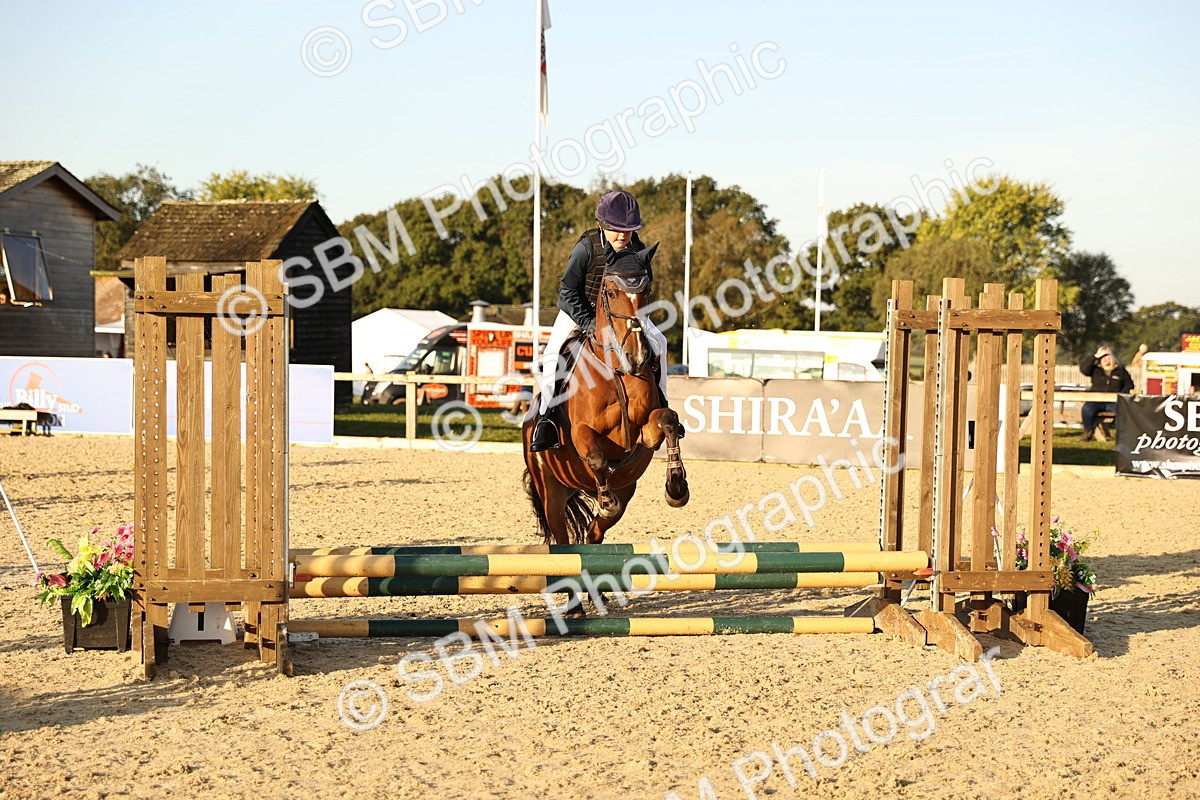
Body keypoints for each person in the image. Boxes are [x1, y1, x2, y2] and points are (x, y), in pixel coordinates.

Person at [529, 189, 672, 452]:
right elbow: (567, 292)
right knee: (552, 354)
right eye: (615, 229)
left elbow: (642, 292)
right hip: (580, 309)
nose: (622, 235)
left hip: (621, 316)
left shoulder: (639, 250)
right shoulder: (586, 248)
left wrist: (633, 320)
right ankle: (547, 418)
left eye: (628, 229)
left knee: (660, 342)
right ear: (601, 225)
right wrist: (590, 324)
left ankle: (661, 403)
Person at [1079, 346, 1134, 441]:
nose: (1105, 359)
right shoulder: (1095, 370)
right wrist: (1095, 356)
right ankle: (1088, 432)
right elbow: (1084, 369)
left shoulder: (1120, 370)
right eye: (1102, 357)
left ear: (1112, 356)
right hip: (1096, 400)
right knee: (1087, 409)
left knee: (1123, 411)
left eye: (1107, 356)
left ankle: (1123, 435)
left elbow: (1129, 385)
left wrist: (1121, 395)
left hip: (1113, 401)